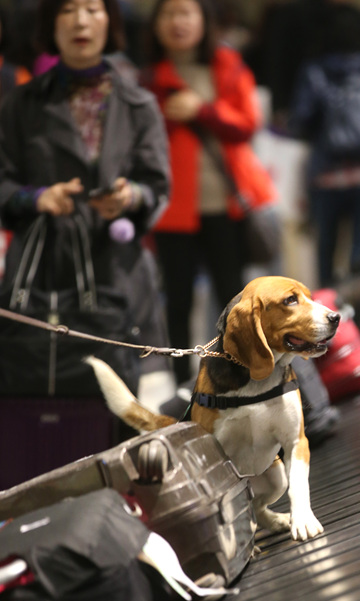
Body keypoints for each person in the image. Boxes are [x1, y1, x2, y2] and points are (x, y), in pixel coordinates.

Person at [0, 0, 171, 403]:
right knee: (45, 401)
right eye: (68, 10)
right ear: (50, 24)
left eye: (93, 9)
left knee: (131, 409)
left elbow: (157, 185)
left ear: (109, 21)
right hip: (44, 278)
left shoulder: (138, 103)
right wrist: (38, 198)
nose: (80, 21)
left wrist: (131, 196)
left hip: (119, 270)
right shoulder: (21, 104)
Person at [141, 0, 277, 385]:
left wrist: (203, 110)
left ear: (204, 20)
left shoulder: (225, 65)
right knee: (178, 301)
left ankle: (241, 373)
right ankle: (184, 383)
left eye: (186, 13)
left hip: (225, 204)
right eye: (168, 14)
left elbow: (247, 123)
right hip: (173, 210)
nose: (178, 22)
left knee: (232, 298)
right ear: (155, 25)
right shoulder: (147, 80)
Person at [289, 2, 360, 286]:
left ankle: (328, 321)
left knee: (325, 252)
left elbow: (301, 119)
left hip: (328, 174)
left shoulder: (314, 70)